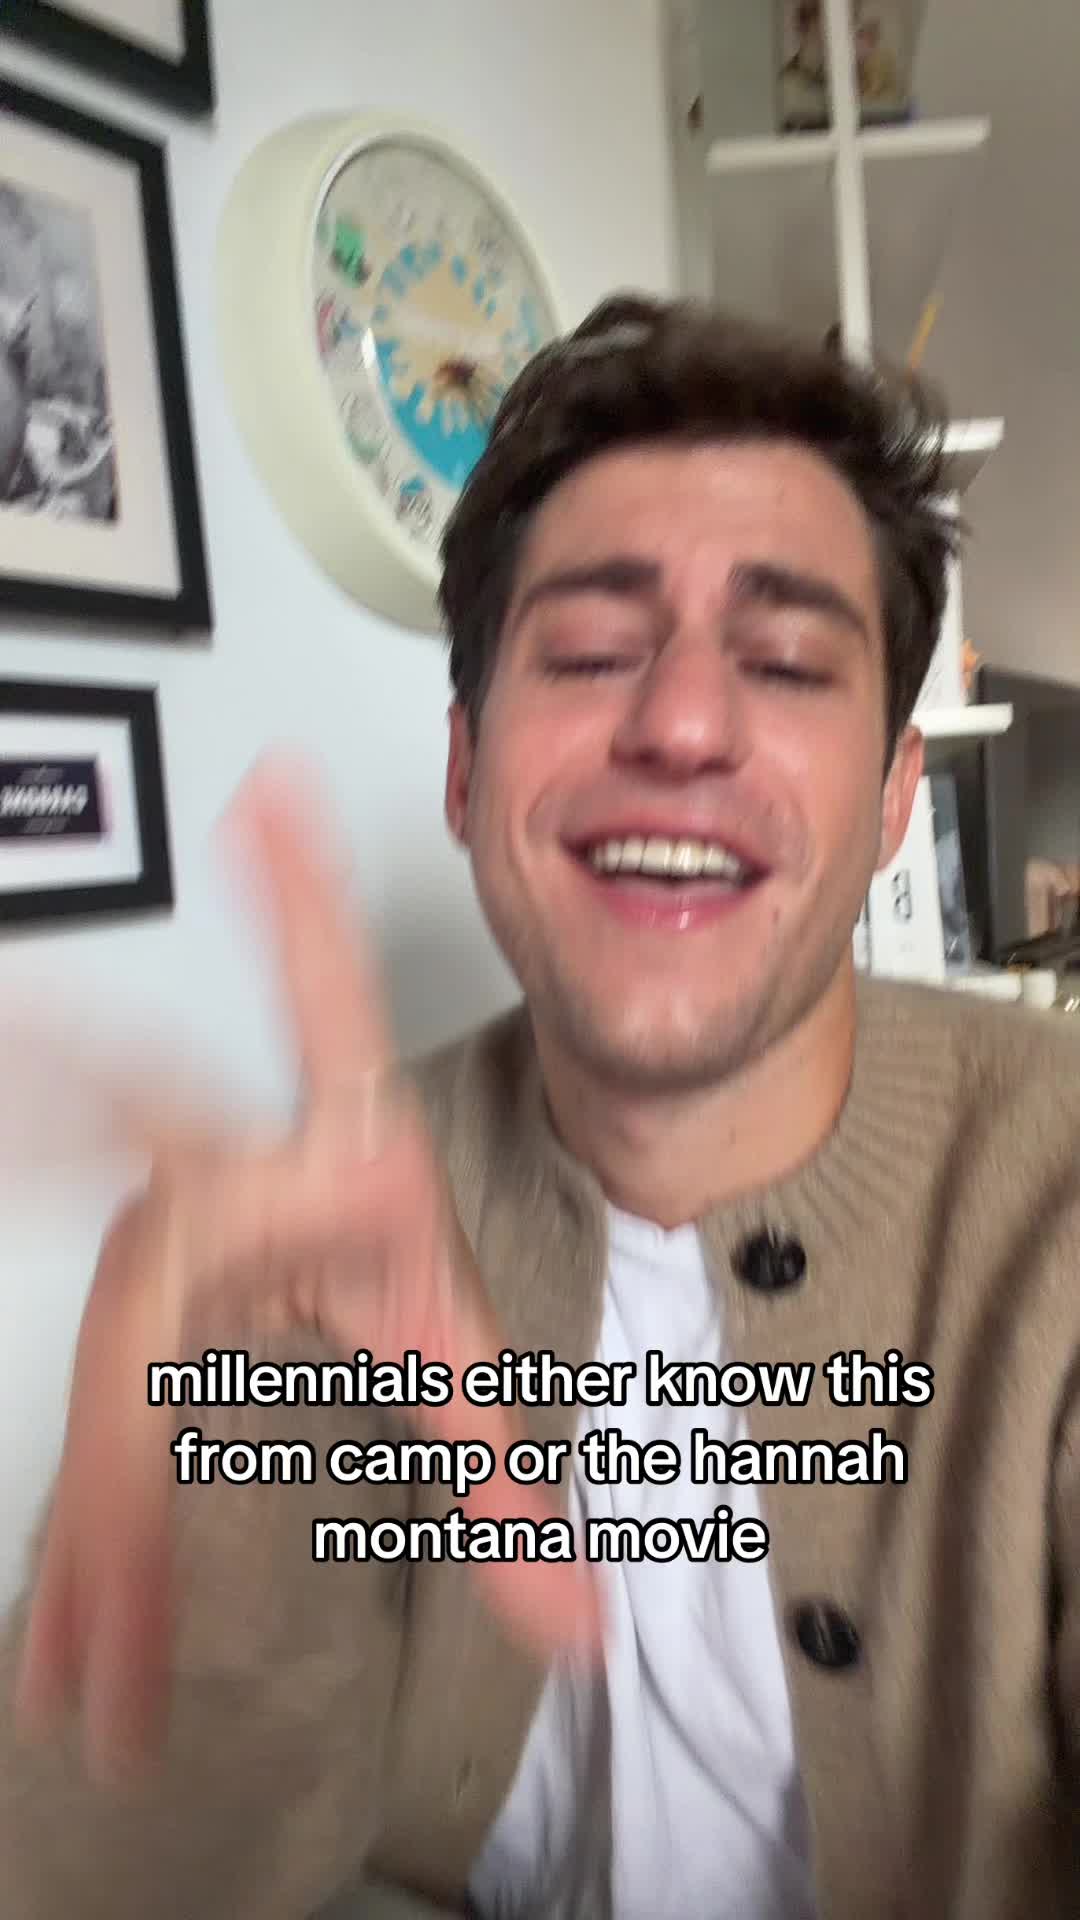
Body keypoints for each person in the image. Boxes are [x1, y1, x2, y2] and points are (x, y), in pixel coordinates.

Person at [3, 293, 1080, 1920]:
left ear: (887, 807)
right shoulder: (332, 1226)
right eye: (587, 653)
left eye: (787, 663)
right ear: (465, 772)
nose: (683, 726)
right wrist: (242, 1437)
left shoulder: (1054, 1188)